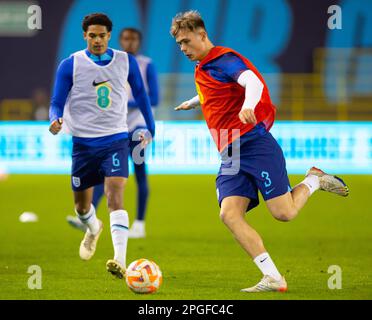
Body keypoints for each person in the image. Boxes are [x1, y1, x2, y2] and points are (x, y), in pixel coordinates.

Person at [171, 10, 349, 293]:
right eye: (178, 44)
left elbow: (251, 81)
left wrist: (249, 104)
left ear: (202, 35)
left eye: (185, 41)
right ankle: (274, 277)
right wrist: (194, 102)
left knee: (284, 213)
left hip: (253, 144)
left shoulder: (223, 59)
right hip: (230, 152)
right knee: (229, 214)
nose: (182, 48)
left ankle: (314, 179)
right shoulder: (204, 66)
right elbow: (216, 91)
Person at [49, 13, 155, 279]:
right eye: (92, 35)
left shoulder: (125, 61)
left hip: (116, 139)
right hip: (83, 144)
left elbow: (142, 95)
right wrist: (54, 119)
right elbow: (56, 101)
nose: (97, 40)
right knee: (82, 207)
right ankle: (93, 228)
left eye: (102, 35)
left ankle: (120, 259)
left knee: (115, 195)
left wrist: (150, 127)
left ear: (109, 36)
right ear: (85, 35)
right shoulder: (70, 64)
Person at [67, 27, 159, 239]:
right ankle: (91, 217)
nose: (130, 43)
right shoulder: (113, 62)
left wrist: (124, 103)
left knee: (140, 172)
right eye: (126, 39)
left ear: (139, 42)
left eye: (134, 39)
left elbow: (154, 98)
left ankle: (140, 223)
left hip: (138, 128)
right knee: (104, 176)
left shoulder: (145, 65)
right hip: (112, 129)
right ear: (119, 40)